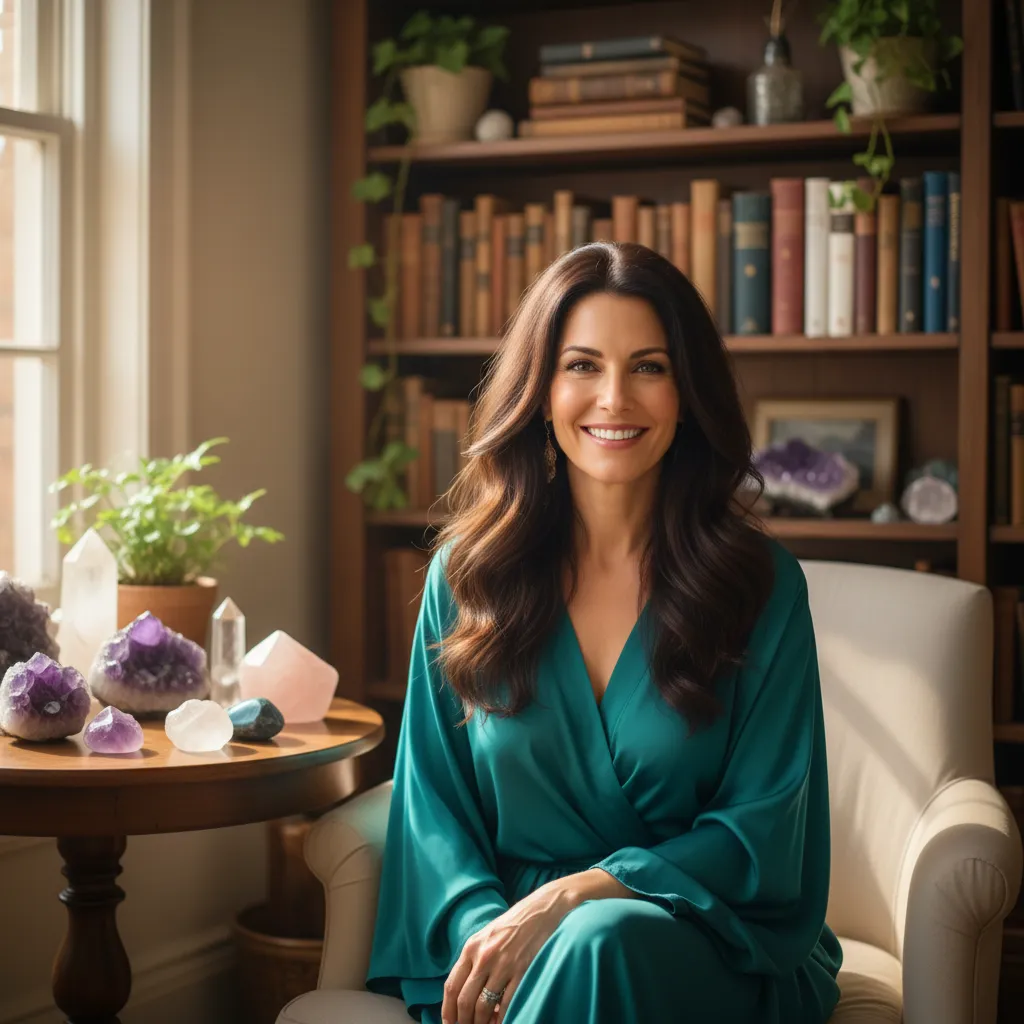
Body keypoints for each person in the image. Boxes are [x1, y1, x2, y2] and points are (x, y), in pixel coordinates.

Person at [366, 242, 843, 1024]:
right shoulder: (466, 576)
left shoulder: (761, 586)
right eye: (582, 366)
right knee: (575, 953)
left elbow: (762, 830)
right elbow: (433, 813)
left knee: (599, 941)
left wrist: (581, 893)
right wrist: (492, 935)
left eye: (649, 367)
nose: (614, 397)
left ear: (687, 392)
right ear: (541, 391)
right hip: (503, 948)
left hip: (705, 937)